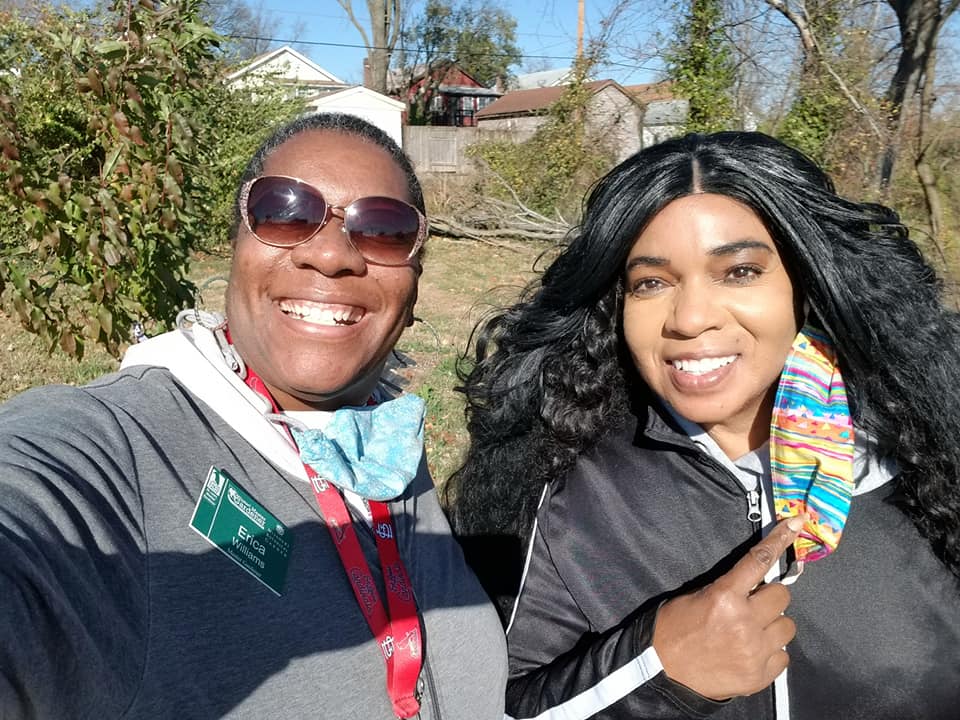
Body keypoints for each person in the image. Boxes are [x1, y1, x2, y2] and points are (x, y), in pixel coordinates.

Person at [0, 112, 507, 719]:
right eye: (286, 211)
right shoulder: (121, 450)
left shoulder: (384, 440)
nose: (330, 254)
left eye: (384, 229)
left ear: (415, 278)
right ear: (236, 242)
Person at [446, 131, 960, 719]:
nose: (690, 319)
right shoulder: (566, 491)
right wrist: (657, 669)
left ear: (807, 284)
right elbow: (500, 704)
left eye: (739, 272)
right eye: (651, 283)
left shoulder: (928, 453)